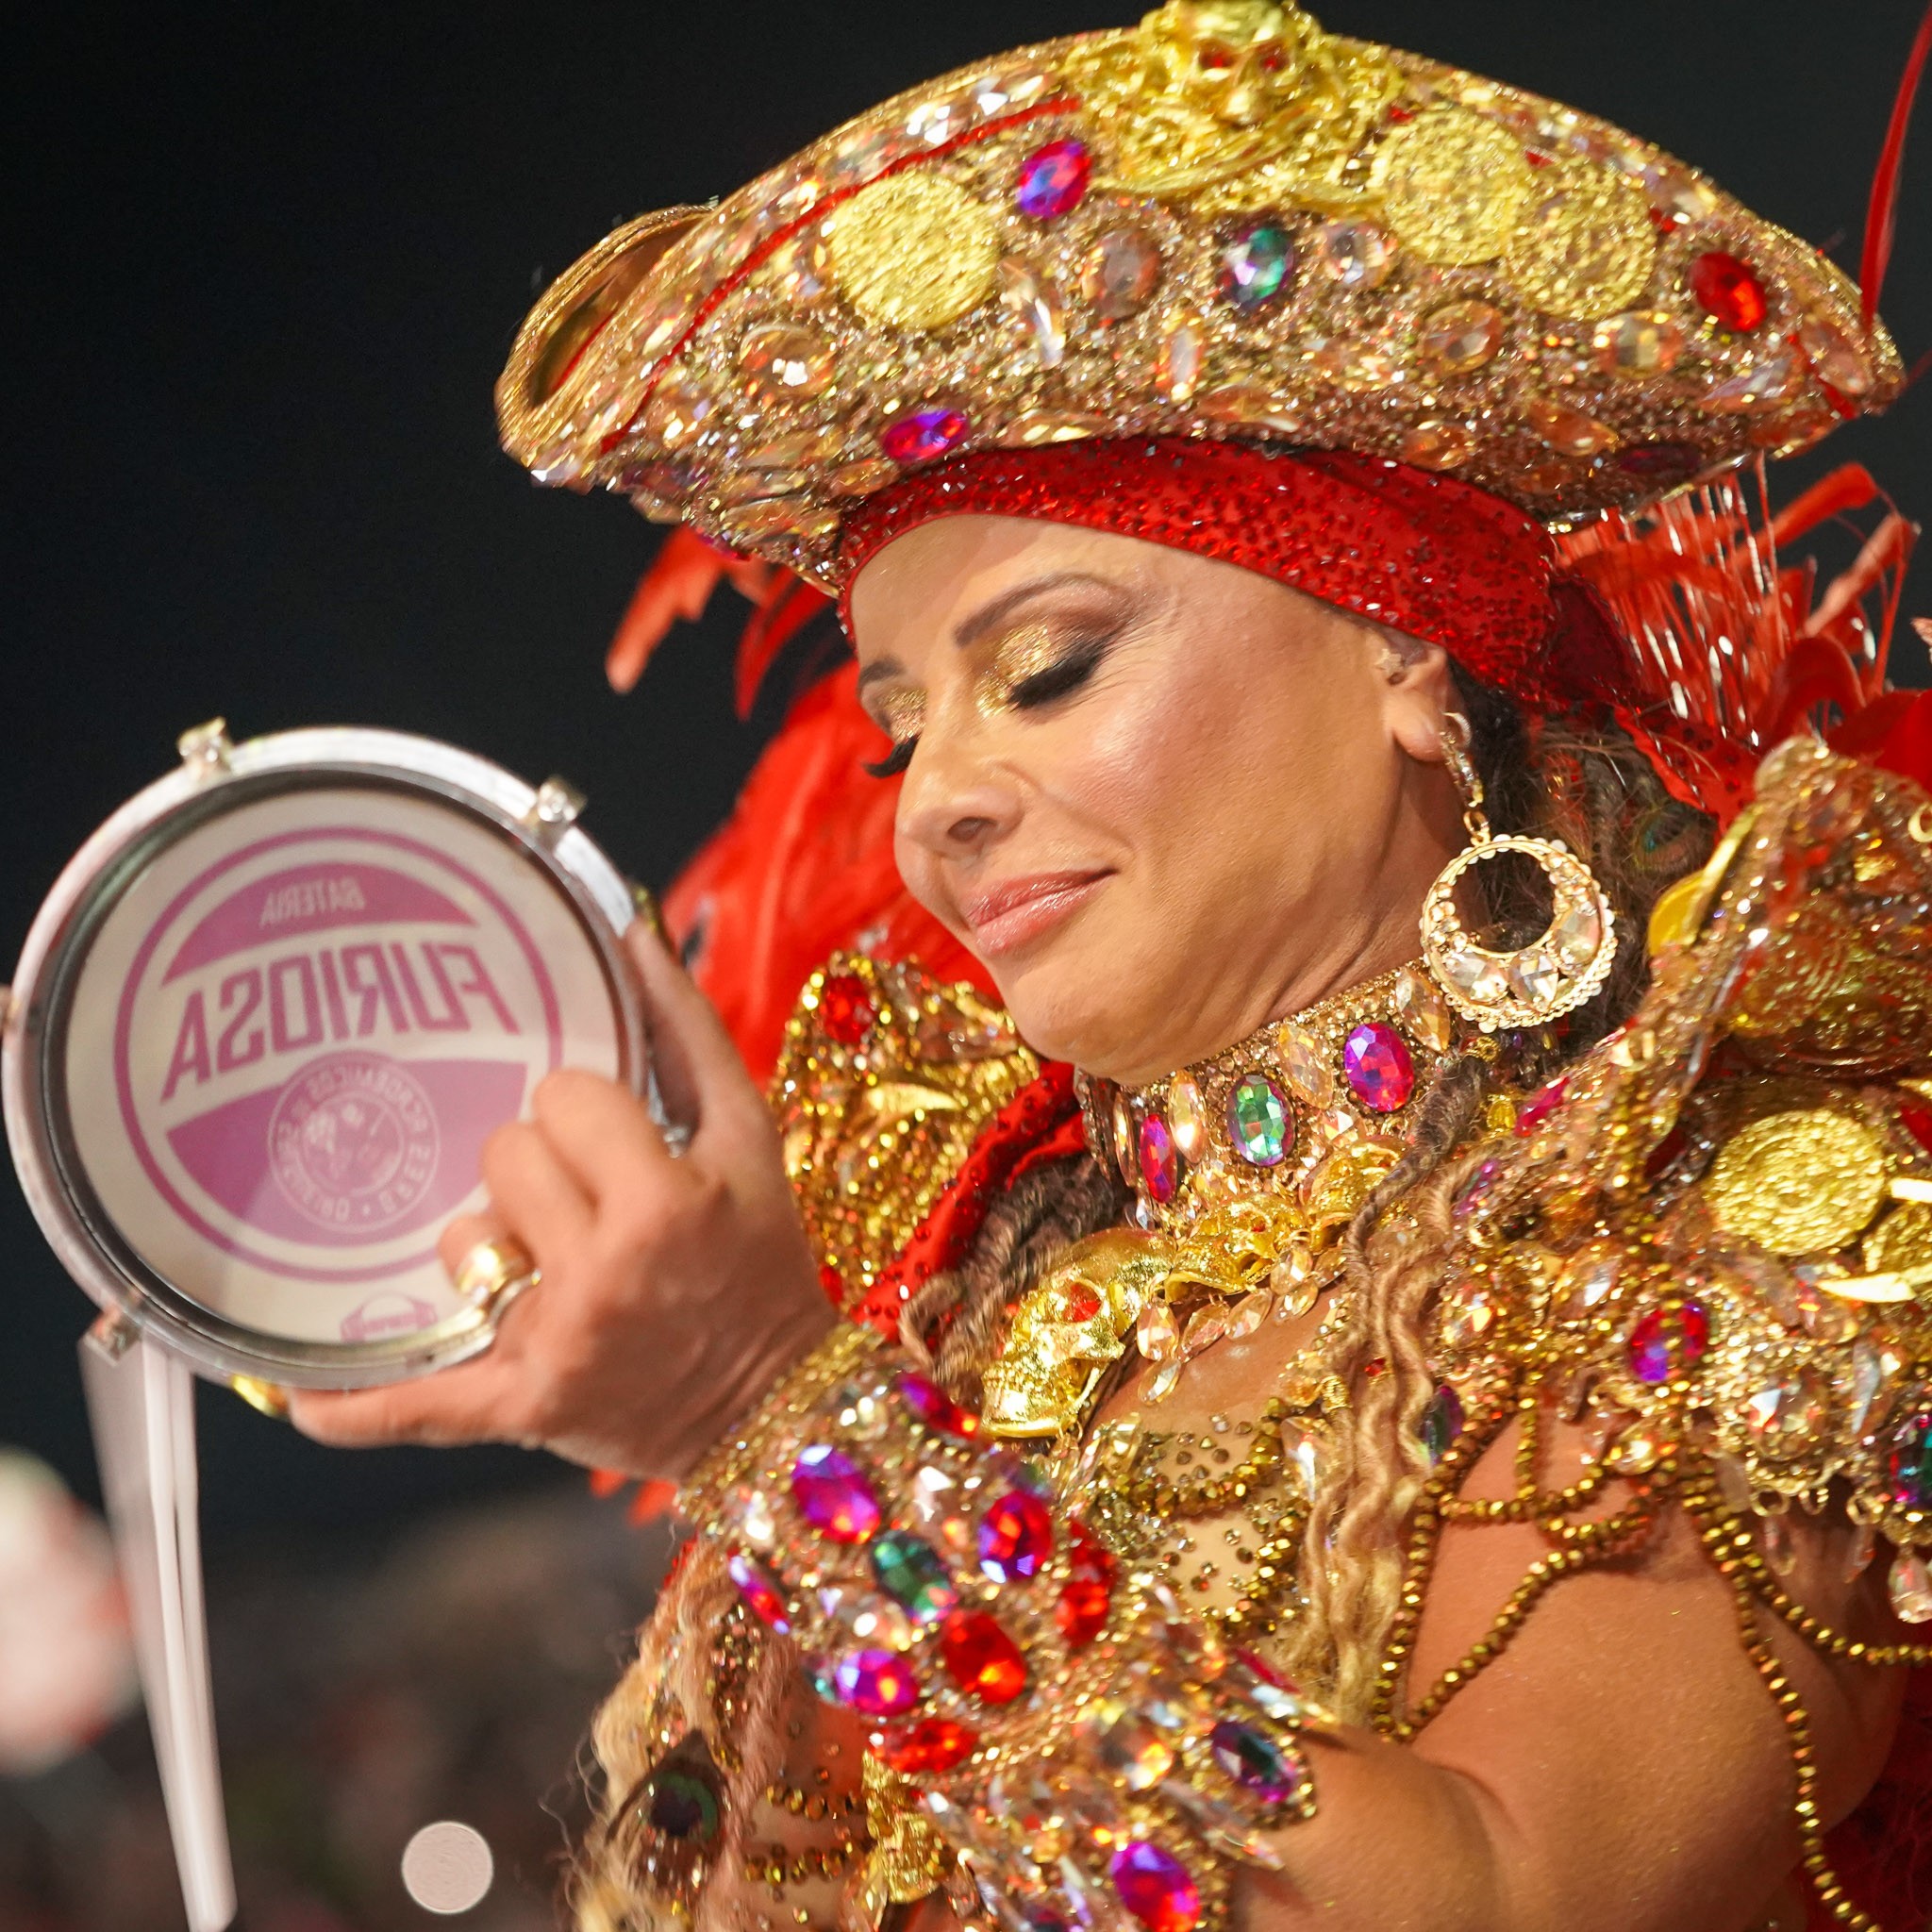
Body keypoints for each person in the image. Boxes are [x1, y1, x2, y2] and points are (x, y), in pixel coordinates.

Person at [289, 4, 1932, 1926]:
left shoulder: (1773, 1240)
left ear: (1407, 658)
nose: (935, 809)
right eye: (902, 728)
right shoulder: (970, 1330)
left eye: (1046, 667)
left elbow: (1497, 1889)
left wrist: (769, 1417)